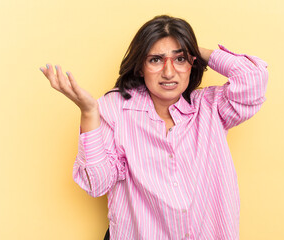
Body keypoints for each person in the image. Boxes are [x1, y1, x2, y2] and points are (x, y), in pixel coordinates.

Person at [40, 15, 268, 240]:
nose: (169, 72)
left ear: (192, 63)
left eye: (180, 59)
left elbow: (253, 78)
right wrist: (89, 113)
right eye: (156, 59)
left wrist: (192, 48)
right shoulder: (115, 109)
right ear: (140, 67)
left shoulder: (210, 107)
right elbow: (96, 184)